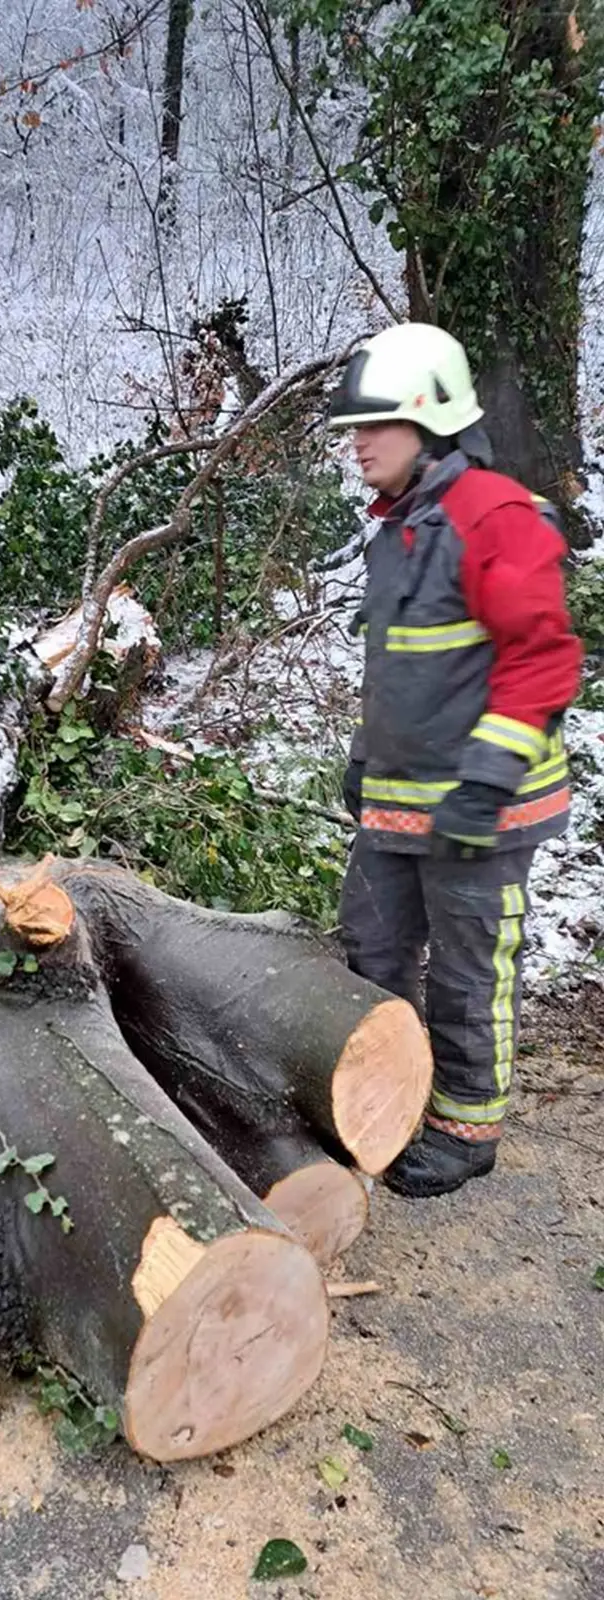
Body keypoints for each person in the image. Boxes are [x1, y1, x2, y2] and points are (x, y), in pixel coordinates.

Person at [328, 323, 582, 1197]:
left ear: (430, 421)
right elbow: (397, 668)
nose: (356, 444)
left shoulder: (494, 517)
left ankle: (467, 1129)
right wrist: (365, 758)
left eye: (374, 425)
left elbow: (543, 660)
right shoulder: (395, 530)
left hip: (485, 809)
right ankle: (383, 1102)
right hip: (399, 805)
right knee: (369, 952)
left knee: (471, 974)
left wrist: (487, 780)